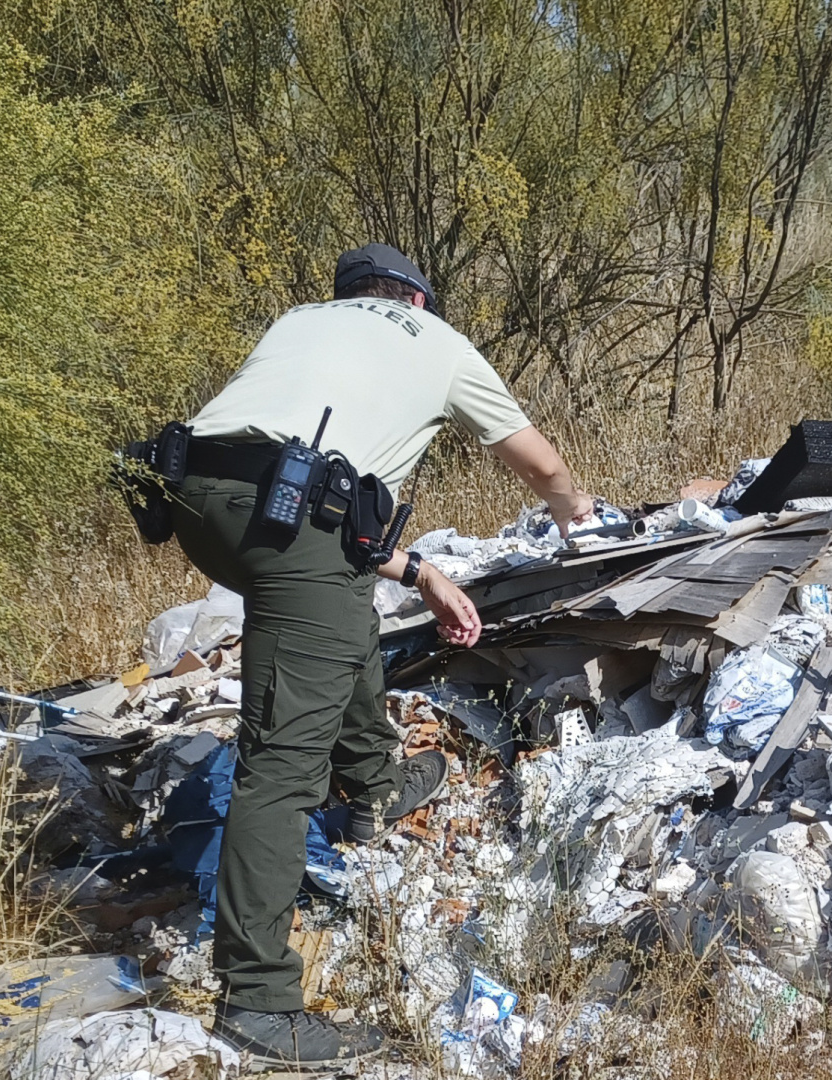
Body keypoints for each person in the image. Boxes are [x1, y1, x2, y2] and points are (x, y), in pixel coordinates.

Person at [168, 243, 593, 1066]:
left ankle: (374, 785)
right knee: (280, 763)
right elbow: (538, 462)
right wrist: (582, 515)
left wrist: (421, 570)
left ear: (348, 295)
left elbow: (309, 503)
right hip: (292, 522)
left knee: (336, 617)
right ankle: (256, 999)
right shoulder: (435, 342)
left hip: (200, 500)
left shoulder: (301, 320)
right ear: (419, 301)